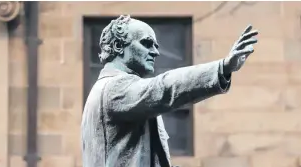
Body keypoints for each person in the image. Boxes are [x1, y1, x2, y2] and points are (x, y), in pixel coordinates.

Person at [81, 15, 258, 167]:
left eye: (155, 45)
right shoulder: (114, 88)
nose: (156, 52)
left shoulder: (113, 90)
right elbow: (164, 88)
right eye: (147, 43)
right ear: (119, 46)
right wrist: (222, 67)